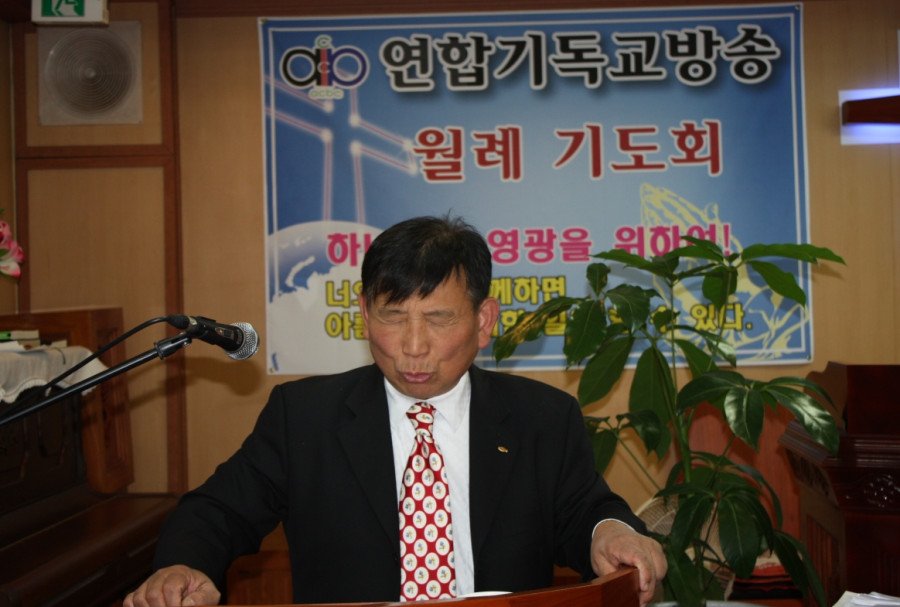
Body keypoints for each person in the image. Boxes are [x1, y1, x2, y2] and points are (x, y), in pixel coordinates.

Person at [124, 216, 666, 607]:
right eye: (392, 315)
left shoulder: (542, 417)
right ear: (364, 314)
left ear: (484, 321)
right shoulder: (304, 417)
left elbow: (586, 511)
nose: (412, 345)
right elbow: (217, 511)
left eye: (437, 319)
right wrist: (182, 567)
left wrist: (610, 533)